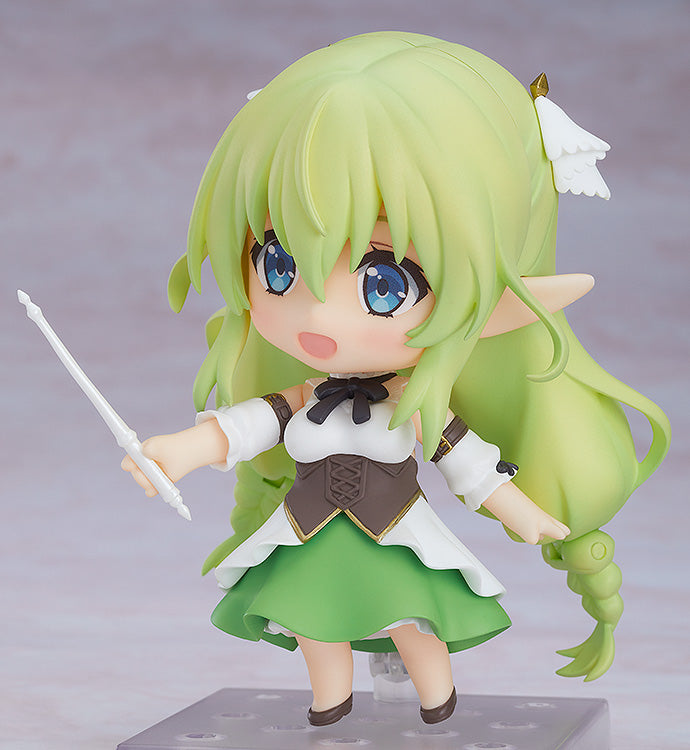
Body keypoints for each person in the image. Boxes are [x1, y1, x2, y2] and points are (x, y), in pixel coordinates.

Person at [122, 32, 670, 725]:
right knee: (312, 623)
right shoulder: (303, 399)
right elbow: (243, 427)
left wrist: (522, 511)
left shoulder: (415, 406)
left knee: (413, 623)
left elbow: (469, 466)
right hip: (308, 535)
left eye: (384, 283)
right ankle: (330, 704)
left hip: (396, 537)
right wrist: (178, 450)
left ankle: (437, 701)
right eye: (279, 266)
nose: (318, 315)